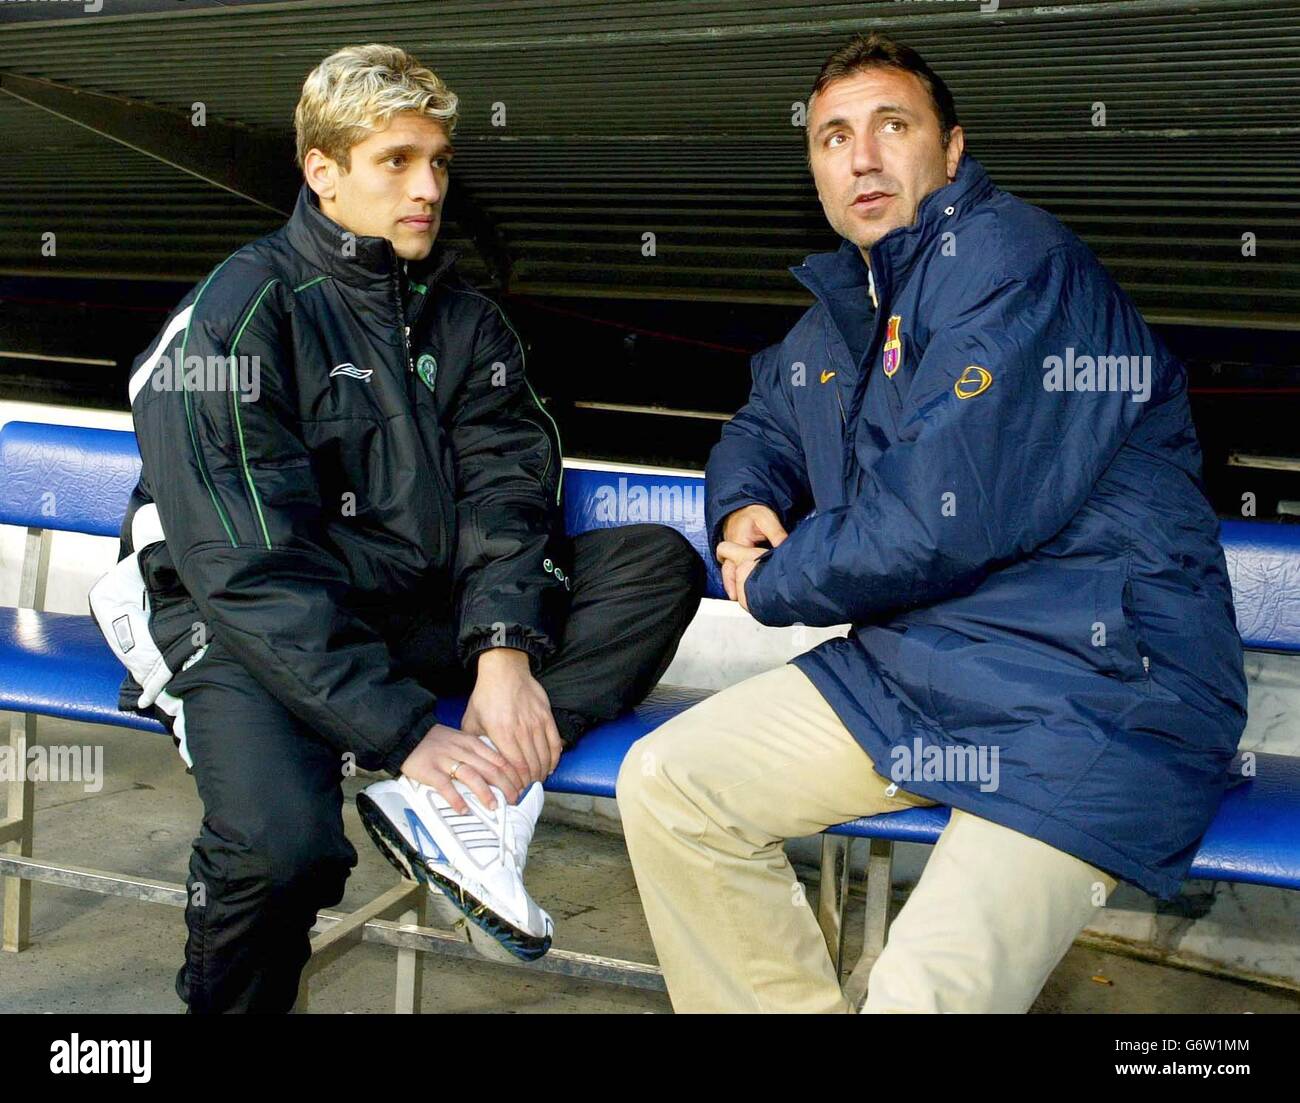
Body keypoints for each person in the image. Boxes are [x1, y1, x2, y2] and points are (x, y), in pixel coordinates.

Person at [615, 32, 1246, 1014]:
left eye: (890, 126)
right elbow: (761, 427)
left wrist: (771, 582)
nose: (860, 157)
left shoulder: (1016, 267)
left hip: (1091, 695)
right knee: (670, 782)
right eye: (831, 137)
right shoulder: (850, 306)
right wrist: (745, 507)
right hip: (915, 675)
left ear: (950, 151)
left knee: (920, 988)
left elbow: (931, 521)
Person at [90, 43, 703, 1013]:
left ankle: (476, 805)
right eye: (396, 161)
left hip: (404, 607)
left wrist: (504, 647)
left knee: (651, 560)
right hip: (236, 621)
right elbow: (246, 569)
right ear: (323, 171)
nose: (427, 187)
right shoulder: (236, 317)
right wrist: (407, 730)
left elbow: (508, 495)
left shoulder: (463, 321)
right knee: (279, 847)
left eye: (440, 162)